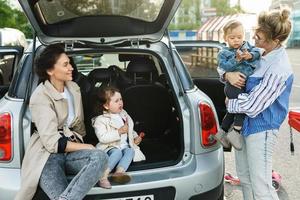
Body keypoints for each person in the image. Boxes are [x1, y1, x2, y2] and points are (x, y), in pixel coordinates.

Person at [15, 44, 108, 200]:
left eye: (70, 63)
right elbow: (52, 143)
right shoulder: (41, 96)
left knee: (100, 157)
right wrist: (87, 146)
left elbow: (80, 126)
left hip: (72, 151)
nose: (71, 67)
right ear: (50, 71)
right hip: (47, 156)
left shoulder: (74, 88)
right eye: (65, 64)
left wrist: (87, 145)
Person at [219, 9, 293, 200]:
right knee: (245, 179)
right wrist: (227, 75)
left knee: (262, 187)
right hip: (243, 127)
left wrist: (231, 103)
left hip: (262, 130)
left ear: (275, 40)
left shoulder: (279, 68)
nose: (253, 38)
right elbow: (227, 67)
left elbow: (252, 106)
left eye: (259, 36)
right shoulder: (259, 52)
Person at [214, 20, 261, 150]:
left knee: (232, 110)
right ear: (225, 38)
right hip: (232, 86)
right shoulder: (223, 53)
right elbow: (223, 66)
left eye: (239, 37)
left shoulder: (247, 46)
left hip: (243, 84)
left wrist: (250, 55)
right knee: (242, 106)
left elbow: (258, 52)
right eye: (232, 38)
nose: (236, 40)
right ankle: (235, 132)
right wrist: (236, 60)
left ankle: (222, 132)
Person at [92, 86, 146, 189]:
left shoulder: (124, 114)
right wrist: (119, 132)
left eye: (121, 99)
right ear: (106, 106)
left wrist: (135, 137)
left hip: (124, 145)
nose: (120, 102)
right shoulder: (100, 120)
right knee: (117, 153)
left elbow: (129, 129)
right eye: (116, 101)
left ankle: (119, 172)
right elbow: (102, 138)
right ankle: (103, 176)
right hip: (109, 147)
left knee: (130, 151)